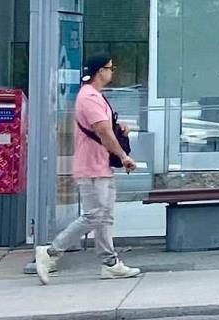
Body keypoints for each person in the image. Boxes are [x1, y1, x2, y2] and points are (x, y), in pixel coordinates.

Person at [35, 53, 142, 282]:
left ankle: (110, 263)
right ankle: (51, 251)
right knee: (94, 215)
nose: (112, 72)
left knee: (105, 217)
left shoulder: (95, 96)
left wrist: (119, 128)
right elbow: (102, 131)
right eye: (110, 68)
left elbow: (105, 128)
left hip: (101, 165)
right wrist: (123, 156)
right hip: (91, 167)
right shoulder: (89, 97)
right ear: (100, 71)